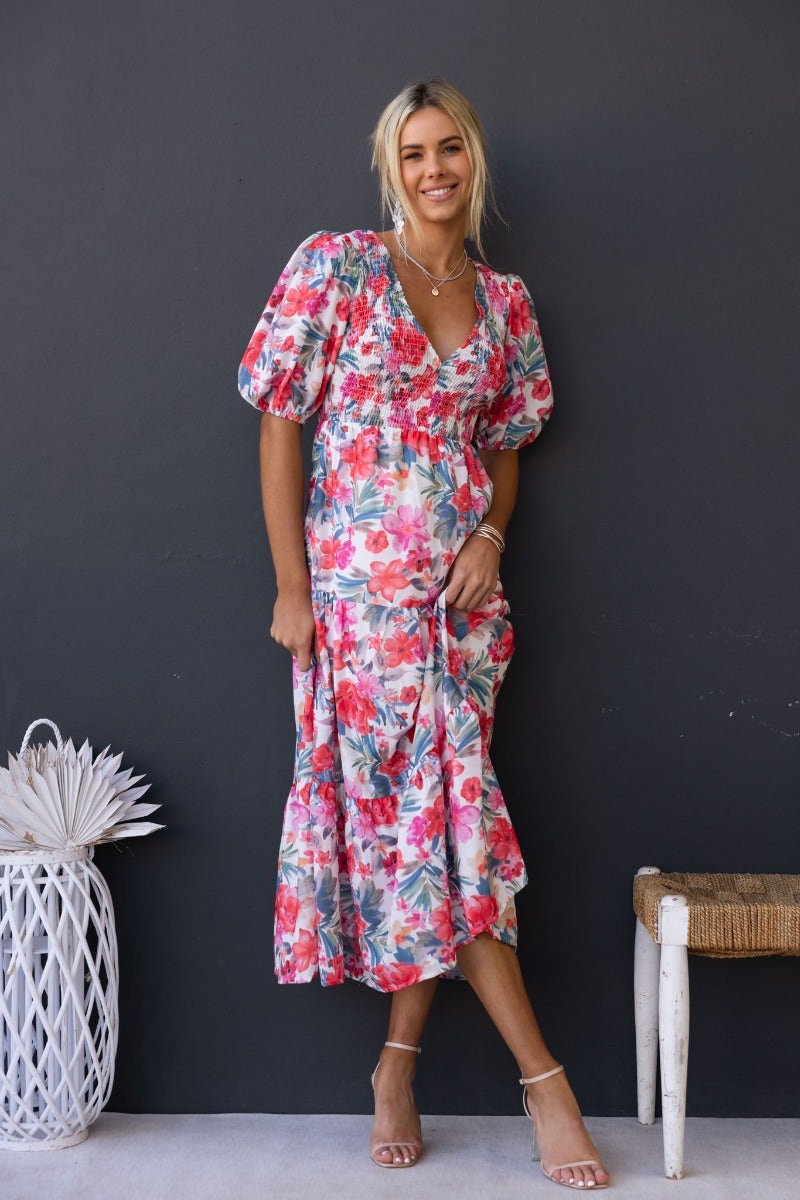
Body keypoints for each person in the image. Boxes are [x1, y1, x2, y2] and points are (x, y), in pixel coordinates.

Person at [237, 78, 609, 1191]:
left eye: (449, 149)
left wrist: (492, 532)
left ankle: (393, 1067)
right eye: (412, 153)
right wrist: (289, 586)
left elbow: (505, 442)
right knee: (439, 838)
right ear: (389, 168)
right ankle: (545, 1083)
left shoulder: (504, 302)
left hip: (463, 613)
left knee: (431, 841)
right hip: (357, 606)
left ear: (473, 160)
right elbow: (278, 422)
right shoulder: (338, 267)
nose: (434, 169)